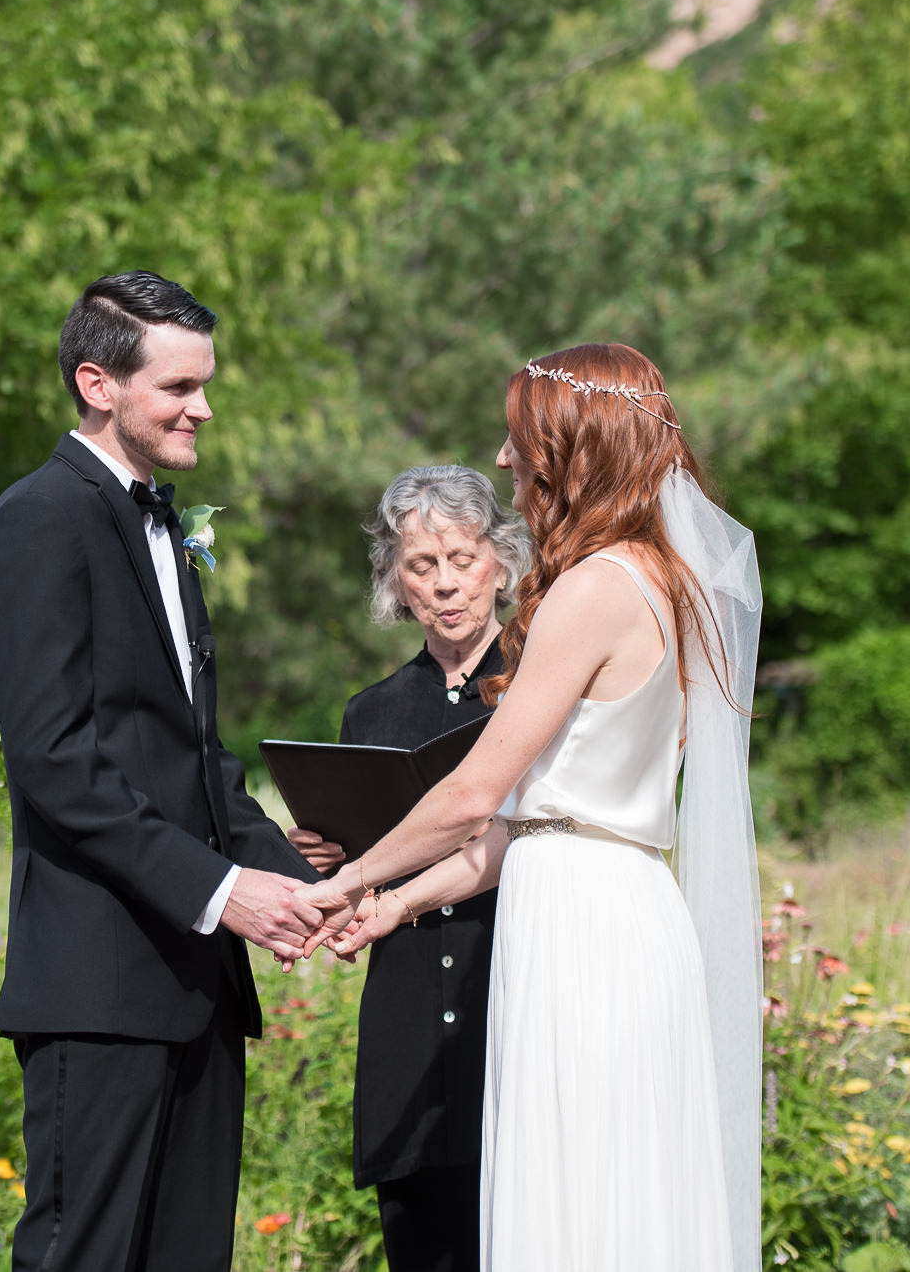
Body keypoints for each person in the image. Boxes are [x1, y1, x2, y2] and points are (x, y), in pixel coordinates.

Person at [306, 344, 763, 1272]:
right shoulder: (663, 577)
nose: (506, 460)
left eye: (519, 440)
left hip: (582, 927)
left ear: (569, 447)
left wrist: (345, 878)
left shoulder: (592, 588)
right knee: (616, 1194)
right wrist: (390, 906)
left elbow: (476, 795)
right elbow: (524, 824)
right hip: (610, 893)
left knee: (576, 1199)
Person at [0, 270, 324, 1272]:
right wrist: (220, 890)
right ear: (97, 382)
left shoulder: (162, 521)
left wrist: (308, 886)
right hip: (99, 978)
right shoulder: (40, 518)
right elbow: (55, 758)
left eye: (202, 385)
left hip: (196, 978)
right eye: (176, 388)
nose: (201, 407)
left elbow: (190, 755)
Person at [285, 466, 529, 1272]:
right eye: (422, 565)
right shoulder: (371, 710)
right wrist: (326, 856)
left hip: (512, 985)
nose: (447, 584)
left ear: (500, 557)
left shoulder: (540, 677)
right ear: (396, 576)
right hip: (406, 1011)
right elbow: (364, 858)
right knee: (418, 1239)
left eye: (462, 557)